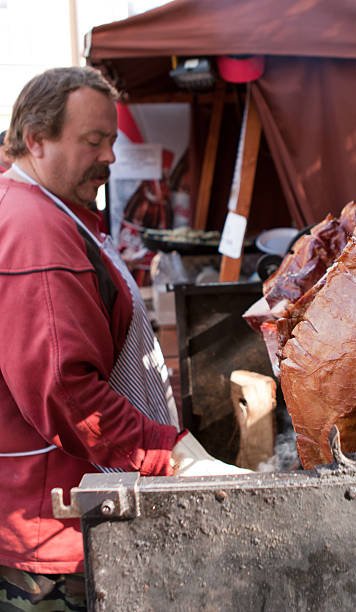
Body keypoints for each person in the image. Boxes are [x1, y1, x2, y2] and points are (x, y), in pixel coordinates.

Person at [0, 66, 248, 611]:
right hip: (52, 530)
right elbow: (68, 397)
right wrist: (170, 455)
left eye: (111, 141)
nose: (110, 157)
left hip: (55, 507)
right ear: (36, 140)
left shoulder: (49, 208)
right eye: (94, 141)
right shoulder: (38, 232)